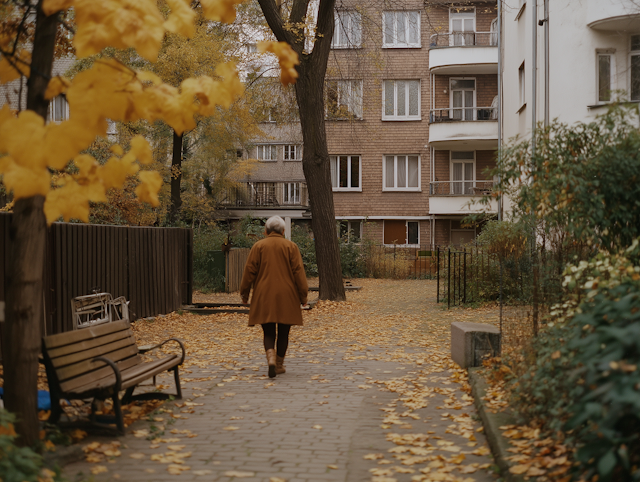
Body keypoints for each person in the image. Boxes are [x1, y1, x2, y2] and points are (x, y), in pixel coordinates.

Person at [240, 216, 309, 378]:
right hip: (288, 295)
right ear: (283, 231)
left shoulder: (258, 246)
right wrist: (303, 297)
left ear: (266, 231)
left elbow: (249, 271)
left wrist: (244, 294)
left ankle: (270, 358)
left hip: (264, 295)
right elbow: (299, 273)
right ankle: (278, 365)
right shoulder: (291, 247)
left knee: (268, 332)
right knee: (284, 332)